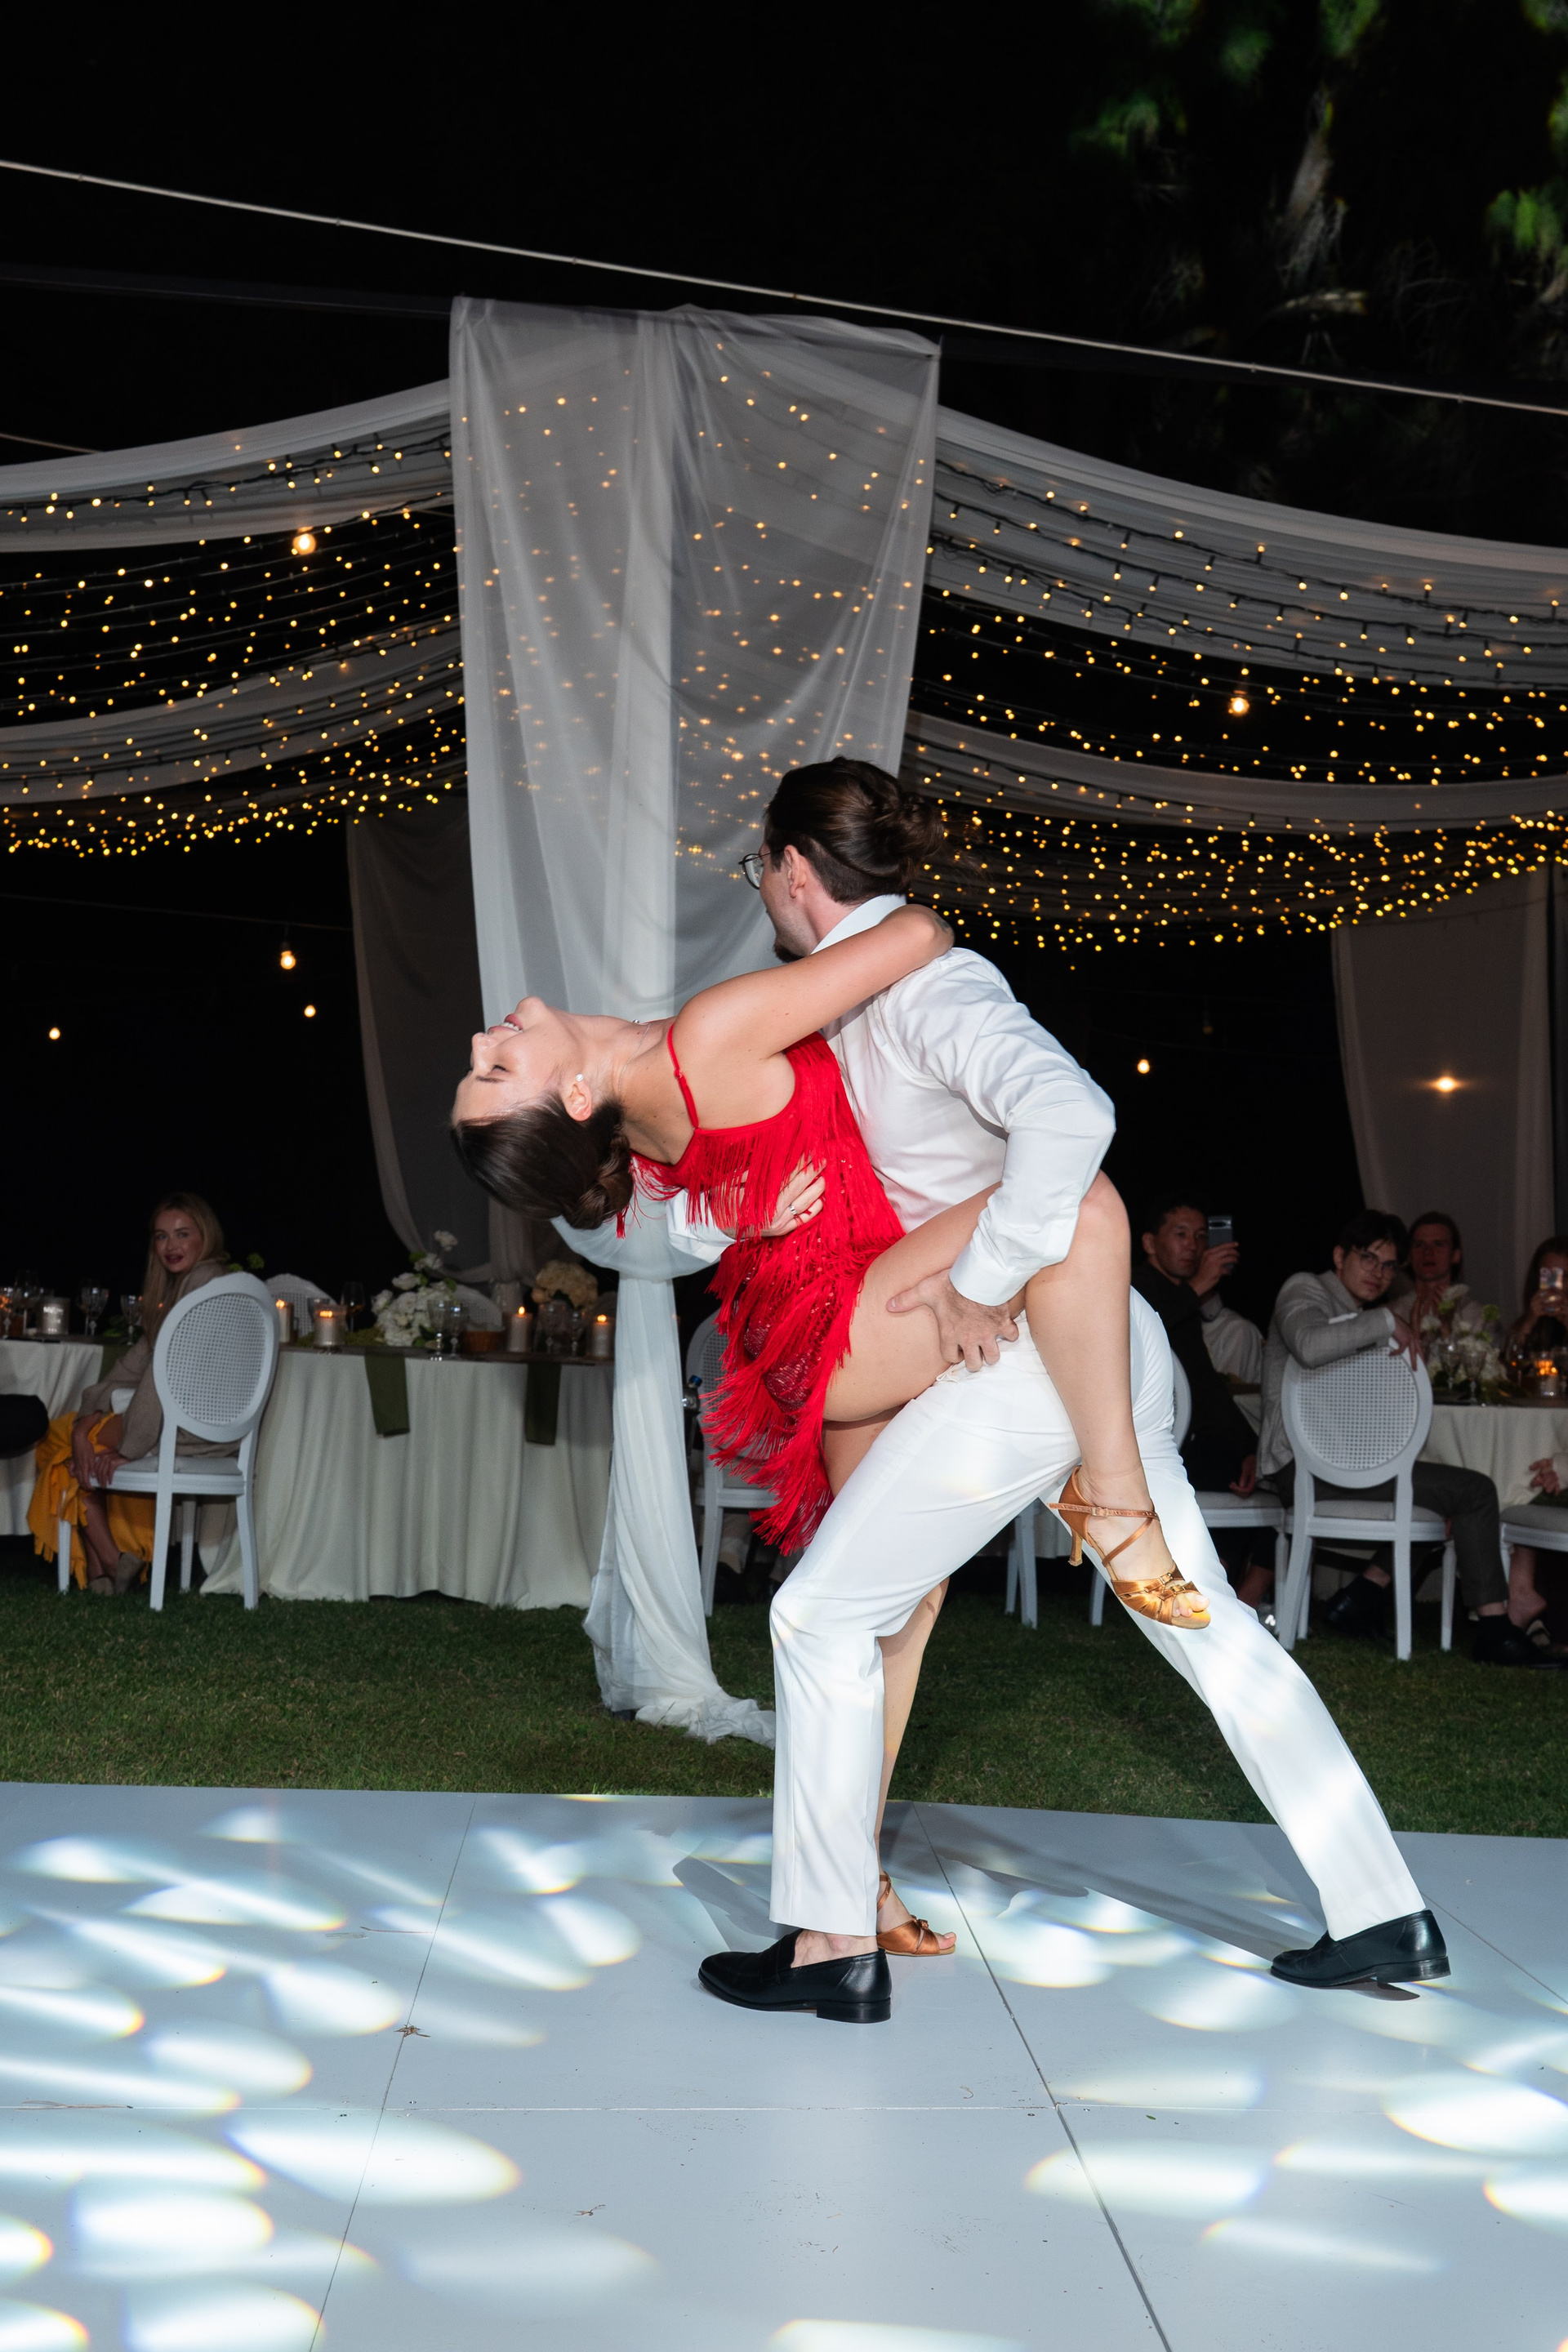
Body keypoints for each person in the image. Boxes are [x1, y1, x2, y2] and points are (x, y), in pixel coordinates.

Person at [557, 759, 1442, 2018]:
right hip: (1089, 1353)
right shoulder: (840, 1005)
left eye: (759, 868)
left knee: (819, 1619)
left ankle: (827, 1944)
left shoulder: (932, 987)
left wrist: (978, 1283)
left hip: (1026, 1358)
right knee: (1200, 1622)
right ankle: (1383, 1909)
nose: (760, 890)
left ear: (794, 871)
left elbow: (1072, 1118)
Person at [1257, 1209, 1544, 1665]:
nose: (1380, 1273)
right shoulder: (1306, 1288)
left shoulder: (1362, 1317)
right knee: (1473, 1492)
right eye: (1369, 1258)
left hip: (1345, 1465)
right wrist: (1389, 1323)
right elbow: (1309, 1346)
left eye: (1389, 1265)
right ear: (1339, 1256)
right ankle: (1494, 1630)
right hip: (1304, 1469)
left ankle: (1360, 1602)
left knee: (1450, 1490)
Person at [29, 1194, 231, 1596]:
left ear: (206, 1235)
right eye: (161, 1236)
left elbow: (162, 1377)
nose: (170, 1245)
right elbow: (130, 1367)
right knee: (69, 1441)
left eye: (183, 1234)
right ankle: (109, 1566)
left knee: (58, 1444)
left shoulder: (202, 1288)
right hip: (195, 1427)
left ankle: (105, 1559)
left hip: (182, 1431)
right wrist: (89, 1418)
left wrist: (130, 1447)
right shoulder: (192, 1289)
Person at [1133, 1196, 1273, 1612]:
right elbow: (1140, 1326)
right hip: (1147, 1446)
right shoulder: (1134, 1286)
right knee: (1231, 1470)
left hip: (1191, 1440)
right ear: (1150, 1243)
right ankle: (1219, 1598)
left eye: (1200, 1236)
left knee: (1272, 1475)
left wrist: (1251, 1448)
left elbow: (1206, 1385)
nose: (1193, 1246)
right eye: (1181, 1234)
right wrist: (1196, 1288)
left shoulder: (1182, 1299)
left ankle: (1240, 1600)